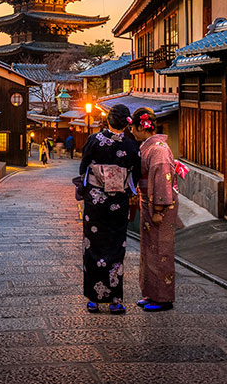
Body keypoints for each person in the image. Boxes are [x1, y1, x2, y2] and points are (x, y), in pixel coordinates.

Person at [77, 103, 140, 314]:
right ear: (127, 122)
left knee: (93, 246)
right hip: (118, 202)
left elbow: (83, 167)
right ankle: (115, 300)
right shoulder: (132, 146)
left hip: (95, 202)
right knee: (115, 247)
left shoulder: (94, 140)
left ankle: (93, 300)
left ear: (108, 120)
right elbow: (135, 174)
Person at [131, 107, 186, 311]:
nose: (132, 132)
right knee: (149, 248)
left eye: (133, 128)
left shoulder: (159, 150)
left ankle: (163, 298)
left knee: (161, 250)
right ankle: (151, 293)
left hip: (159, 206)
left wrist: (158, 210)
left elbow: (163, 181)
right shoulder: (150, 147)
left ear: (140, 126)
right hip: (149, 202)